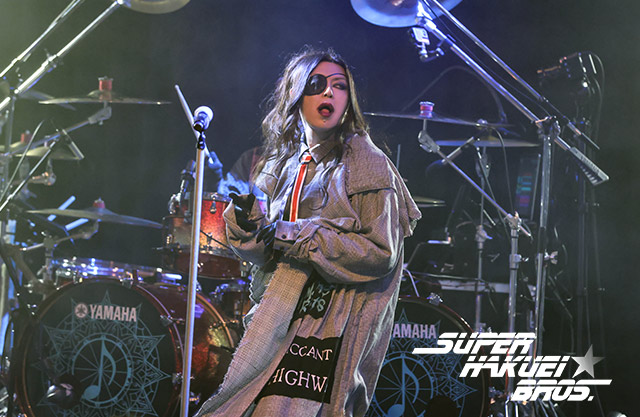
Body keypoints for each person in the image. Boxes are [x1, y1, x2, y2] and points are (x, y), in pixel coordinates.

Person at [195, 46, 421, 417]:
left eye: (339, 85)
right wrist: (249, 225)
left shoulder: (367, 163)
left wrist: (299, 235)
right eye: (316, 84)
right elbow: (265, 254)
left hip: (331, 322)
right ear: (295, 93)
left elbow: (381, 252)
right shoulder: (281, 163)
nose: (329, 92)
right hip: (278, 314)